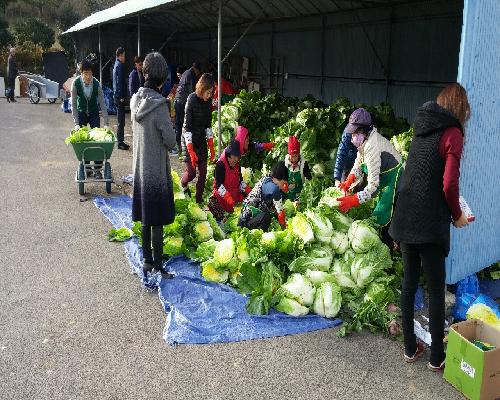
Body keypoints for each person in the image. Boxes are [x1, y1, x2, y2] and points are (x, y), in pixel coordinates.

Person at [389, 83, 471, 372]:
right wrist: (458, 215)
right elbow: (448, 184)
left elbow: (412, 175)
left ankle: (410, 348)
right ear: (460, 108)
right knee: (435, 290)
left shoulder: (421, 128)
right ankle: (437, 357)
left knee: (409, 284)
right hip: (428, 222)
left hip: (406, 216)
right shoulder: (453, 133)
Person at [131, 52, 176, 279]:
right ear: (161, 80)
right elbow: (170, 141)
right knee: (156, 219)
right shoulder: (159, 106)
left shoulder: (134, 100)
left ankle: (147, 260)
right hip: (156, 170)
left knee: (146, 218)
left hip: (139, 169)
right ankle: (158, 265)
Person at [336, 108, 403, 233]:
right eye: (353, 133)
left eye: (356, 133)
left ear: (365, 130)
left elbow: (372, 186)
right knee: (377, 203)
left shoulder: (373, 146)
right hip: (383, 174)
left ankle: (387, 238)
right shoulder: (365, 142)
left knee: (383, 211)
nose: (353, 136)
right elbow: (358, 162)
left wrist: (354, 200)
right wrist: (349, 179)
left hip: (394, 177)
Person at [71, 59, 110, 179]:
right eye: (86, 73)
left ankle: (97, 169)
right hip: (82, 113)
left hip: (93, 113)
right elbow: (73, 105)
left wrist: (106, 123)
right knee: (83, 142)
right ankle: (86, 167)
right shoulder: (76, 83)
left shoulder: (97, 83)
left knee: (97, 141)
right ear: (81, 73)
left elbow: (103, 104)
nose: (88, 76)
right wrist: (76, 123)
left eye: (90, 73)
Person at [180, 73, 215, 204]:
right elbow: (186, 127)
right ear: (202, 88)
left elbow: (208, 125)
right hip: (188, 140)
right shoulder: (191, 99)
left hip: (201, 141)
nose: (210, 95)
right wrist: (190, 150)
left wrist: (211, 146)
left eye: (211, 93)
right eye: (208, 92)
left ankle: (198, 200)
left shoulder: (208, 102)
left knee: (203, 174)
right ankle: (183, 183)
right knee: (191, 174)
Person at [208, 138, 251, 222]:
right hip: (221, 198)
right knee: (222, 219)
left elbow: (240, 182)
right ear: (228, 155)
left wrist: (248, 190)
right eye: (234, 156)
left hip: (235, 198)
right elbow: (218, 185)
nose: (236, 159)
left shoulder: (237, 165)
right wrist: (228, 197)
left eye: (237, 157)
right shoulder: (220, 165)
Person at [238, 161, 290, 231]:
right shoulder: (268, 183)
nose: (282, 186)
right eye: (283, 183)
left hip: (257, 216)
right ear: (278, 178)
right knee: (266, 216)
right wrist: (282, 221)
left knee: (275, 210)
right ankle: (260, 236)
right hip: (247, 221)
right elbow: (275, 190)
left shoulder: (271, 181)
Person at [174, 62, 201, 154]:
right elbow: (191, 93)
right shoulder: (192, 74)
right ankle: (183, 147)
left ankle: (178, 145)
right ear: (196, 69)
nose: (198, 75)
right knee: (184, 125)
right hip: (182, 102)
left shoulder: (186, 72)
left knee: (178, 124)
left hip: (177, 101)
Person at [284, 136, 312, 201]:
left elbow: (309, 178)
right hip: (287, 193)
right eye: (292, 156)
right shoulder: (284, 163)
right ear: (289, 154)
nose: (294, 159)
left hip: (300, 194)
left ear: (299, 154)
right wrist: (284, 185)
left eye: (296, 156)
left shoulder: (304, 164)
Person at [113, 47, 129, 150]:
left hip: (117, 95)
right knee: (121, 120)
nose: (124, 58)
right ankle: (120, 142)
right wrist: (122, 96)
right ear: (120, 55)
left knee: (121, 120)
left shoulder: (115, 65)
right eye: (124, 55)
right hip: (120, 96)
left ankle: (121, 141)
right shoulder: (120, 66)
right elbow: (120, 82)